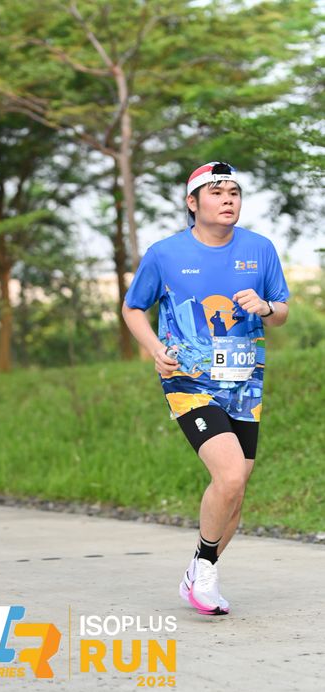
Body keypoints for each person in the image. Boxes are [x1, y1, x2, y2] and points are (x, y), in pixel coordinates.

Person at [122, 161, 289, 615]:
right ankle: (205, 572)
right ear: (192, 203)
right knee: (230, 474)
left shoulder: (260, 249)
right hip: (188, 379)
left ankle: (200, 568)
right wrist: (155, 348)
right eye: (217, 193)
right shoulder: (165, 254)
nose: (228, 200)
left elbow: (282, 312)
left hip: (244, 382)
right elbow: (133, 308)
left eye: (234, 192)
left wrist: (266, 306)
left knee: (236, 489)